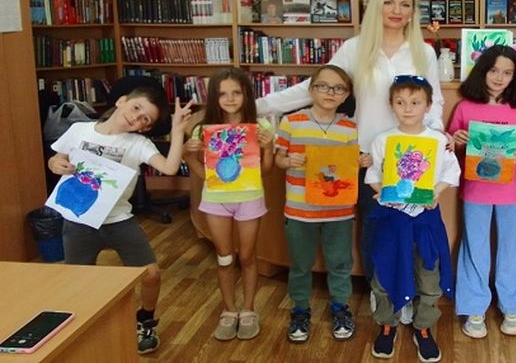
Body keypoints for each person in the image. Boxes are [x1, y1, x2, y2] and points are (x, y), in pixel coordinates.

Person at [256, 0, 445, 284]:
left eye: (405, 4)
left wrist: (436, 133)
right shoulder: (355, 49)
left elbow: (435, 100)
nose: (396, 10)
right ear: (376, 7)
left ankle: (408, 294)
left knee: (411, 229)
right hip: (366, 156)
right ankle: (379, 294)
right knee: (374, 228)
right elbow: (317, 86)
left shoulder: (423, 52)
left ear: (413, 12)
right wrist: (259, 106)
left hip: (412, 158)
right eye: (389, 2)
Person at [48, 85, 193, 354]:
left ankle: (145, 321)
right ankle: (86, 327)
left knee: (150, 274)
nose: (136, 118)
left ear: (144, 129)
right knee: (78, 279)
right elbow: (57, 158)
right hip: (79, 220)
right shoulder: (79, 130)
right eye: (136, 108)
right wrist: (55, 164)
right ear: (121, 101)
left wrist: (177, 132)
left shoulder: (138, 144)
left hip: (119, 220)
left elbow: (170, 167)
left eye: (144, 120)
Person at [365, 76, 460, 362]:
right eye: (400, 102)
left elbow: (450, 172)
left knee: (428, 275)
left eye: (415, 102)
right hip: (392, 219)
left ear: (428, 106)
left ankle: (423, 327)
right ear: (391, 105)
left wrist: (435, 193)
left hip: (425, 218)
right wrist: (383, 192)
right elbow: (374, 175)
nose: (407, 108)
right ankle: (387, 324)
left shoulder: (438, 140)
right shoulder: (383, 140)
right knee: (385, 272)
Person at [447, 45, 516, 338]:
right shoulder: (464, 107)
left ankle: (513, 307)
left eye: (507, 72)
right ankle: (474, 308)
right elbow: (450, 145)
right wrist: (456, 140)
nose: (499, 77)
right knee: (475, 247)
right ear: (482, 70)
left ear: (515, 76)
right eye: (494, 70)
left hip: (511, 190)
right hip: (475, 190)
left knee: (512, 248)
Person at [183, 68, 274, 342]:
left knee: (247, 256)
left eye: (236, 92)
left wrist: (268, 148)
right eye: (223, 93)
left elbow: (265, 171)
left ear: (247, 94)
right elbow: (206, 175)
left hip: (249, 198)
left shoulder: (261, 127)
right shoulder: (203, 130)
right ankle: (229, 310)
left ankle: (248, 309)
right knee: (224, 257)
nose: (230, 98)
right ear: (213, 97)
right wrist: (189, 156)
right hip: (216, 201)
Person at [274, 65, 364, 343]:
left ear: (346, 95)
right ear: (311, 90)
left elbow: (351, 164)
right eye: (323, 86)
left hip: (339, 212)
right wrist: (288, 160)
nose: (330, 92)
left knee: (340, 263)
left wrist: (362, 161)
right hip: (300, 210)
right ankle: (300, 310)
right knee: (300, 264)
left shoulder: (350, 127)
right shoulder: (291, 122)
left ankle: (340, 308)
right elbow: (278, 159)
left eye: (338, 88)